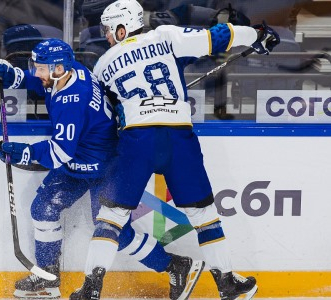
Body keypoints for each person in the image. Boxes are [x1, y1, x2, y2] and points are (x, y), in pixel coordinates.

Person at [70, 0, 280, 300]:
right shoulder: (165, 36)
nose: (106, 35)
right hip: (178, 137)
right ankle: (226, 283)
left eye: (108, 29)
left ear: (121, 27)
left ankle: (91, 288)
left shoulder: (103, 64)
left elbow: (108, 109)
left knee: (111, 215)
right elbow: (217, 37)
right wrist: (255, 35)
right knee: (203, 213)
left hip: (136, 140)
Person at [0, 38, 204, 300]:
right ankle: (48, 277)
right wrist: (13, 76)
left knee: (115, 234)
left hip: (108, 167)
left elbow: (58, 152)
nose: (37, 72)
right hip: (80, 161)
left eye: (41, 68)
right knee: (43, 208)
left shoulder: (72, 101)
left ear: (57, 69)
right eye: (36, 66)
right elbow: (41, 83)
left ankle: (176, 266)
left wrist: (23, 151)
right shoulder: (72, 70)